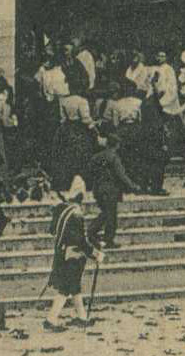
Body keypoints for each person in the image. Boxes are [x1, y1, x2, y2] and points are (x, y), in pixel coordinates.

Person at [45, 189, 103, 328]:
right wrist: (95, 253)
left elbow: (52, 230)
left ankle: (82, 317)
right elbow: (79, 241)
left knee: (74, 287)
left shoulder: (61, 212)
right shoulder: (75, 214)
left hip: (63, 254)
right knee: (66, 288)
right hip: (73, 256)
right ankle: (51, 319)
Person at [88, 132, 138, 248]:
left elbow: (90, 170)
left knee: (106, 213)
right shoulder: (114, 158)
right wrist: (133, 187)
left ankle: (97, 235)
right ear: (117, 145)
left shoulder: (97, 157)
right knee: (110, 215)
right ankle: (98, 234)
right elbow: (122, 175)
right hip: (111, 190)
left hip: (98, 189)